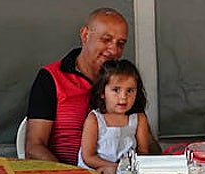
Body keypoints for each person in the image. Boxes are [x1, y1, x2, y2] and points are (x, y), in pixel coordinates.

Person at [25, 8, 130, 164]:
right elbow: (34, 147)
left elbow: (145, 140)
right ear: (85, 35)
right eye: (106, 40)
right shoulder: (51, 77)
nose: (114, 50)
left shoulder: (125, 83)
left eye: (120, 43)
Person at [78, 59, 157, 174]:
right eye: (116, 90)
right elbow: (88, 157)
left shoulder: (138, 118)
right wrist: (115, 167)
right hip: (96, 171)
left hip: (128, 171)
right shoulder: (95, 119)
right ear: (102, 92)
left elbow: (143, 152)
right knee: (109, 173)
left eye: (130, 90)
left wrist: (128, 168)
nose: (123, 97)